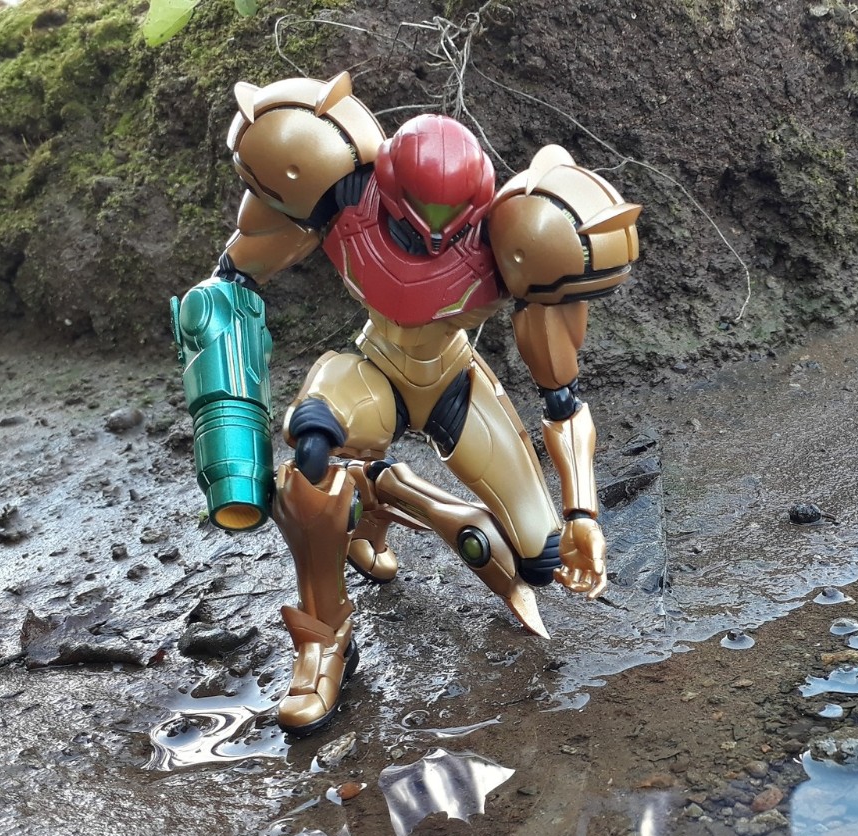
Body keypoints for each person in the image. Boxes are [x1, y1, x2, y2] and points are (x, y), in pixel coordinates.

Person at [172, 72, 640, 734]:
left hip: (453, 380)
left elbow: (561, 399)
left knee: (539, 561)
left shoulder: (515, 239)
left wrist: (583, 513)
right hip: (373, 371)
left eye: (453, 222)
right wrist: (219, 337)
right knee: (310, 464)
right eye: (420, 217)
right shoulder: (339, 195)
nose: (435, 235)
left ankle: (389, 492)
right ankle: (324, 643)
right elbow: (234, 276)